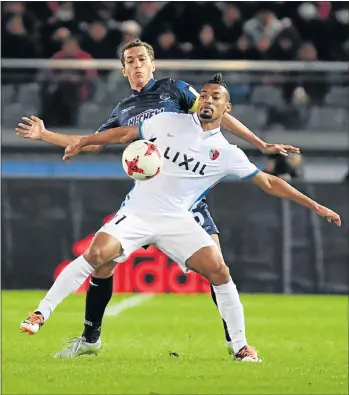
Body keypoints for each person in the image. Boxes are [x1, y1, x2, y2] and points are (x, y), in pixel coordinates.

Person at [18, 74, 341, 363]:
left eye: (216, 97)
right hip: (138, 212)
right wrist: (81, 141)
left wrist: (316, 206)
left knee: (219, 270)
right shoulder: (168, 121)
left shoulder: (228, 154)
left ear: (226, 109)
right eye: (204, 94)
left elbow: (270, 183)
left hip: (178, 220)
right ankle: (41, 313)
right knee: (96, 255)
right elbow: (121, 135)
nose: (208, 100)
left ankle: (240, 346)